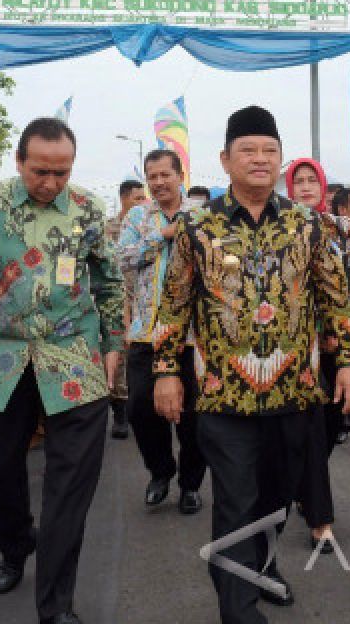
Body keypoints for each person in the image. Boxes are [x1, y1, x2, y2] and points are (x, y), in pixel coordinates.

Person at [153, 105, 350, 624]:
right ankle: (240, 610)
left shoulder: (309, 225)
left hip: (295, 392)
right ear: (225, 160)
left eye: (270, 150)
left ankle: (260, 567)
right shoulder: (196, 228)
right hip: (224, 395)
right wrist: (164, 372)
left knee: (276, 500)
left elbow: (336, 299)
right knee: (236, 503)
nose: (260, 159)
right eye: (249, 150)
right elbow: (173, 304)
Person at [0, 117, 124, 624]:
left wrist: (113, 345)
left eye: (61, 173)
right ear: (19, 162)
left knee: (70, 488)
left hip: (72, 359)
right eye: (41, 171)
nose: (51, 183)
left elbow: (108, 283)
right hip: (1, 357)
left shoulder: (87, 208)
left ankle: (56, 605)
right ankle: (16, 547)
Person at [284, 157, 350, 553]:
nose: (304, 187)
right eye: (297, 181)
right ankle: (321, 521)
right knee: (314, 431)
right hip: (299, 349)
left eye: (310, 180)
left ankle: (303, 488)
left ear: (323, 189)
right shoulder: (280, 228)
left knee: (331, 426)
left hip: (341, 345)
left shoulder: (343, 230)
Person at [117, 149, 206, 514]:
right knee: (140, 409)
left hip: (191, 336)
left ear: (179, 175)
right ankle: (160, 471)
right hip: (146, 334)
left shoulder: (201, 215)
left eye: (164, 175)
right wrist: (163, 236)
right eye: (151, 177)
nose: (158, 183)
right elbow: (121, 258)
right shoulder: (138, 216)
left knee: (195, 417)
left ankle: (190, 484)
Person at [106, 179, 146, 440]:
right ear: (123, 199)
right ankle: (120, 413)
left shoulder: (147, 225)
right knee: (118, 354)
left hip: (142, 299)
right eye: (137, 198)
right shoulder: (108, 229)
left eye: (144, 198)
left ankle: (139, 408)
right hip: (115, 297)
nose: (142, 203)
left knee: (141, 356)